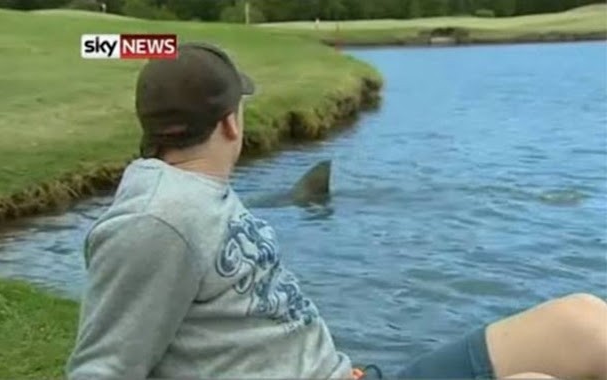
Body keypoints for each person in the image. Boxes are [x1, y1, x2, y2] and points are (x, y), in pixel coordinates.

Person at [65, 41, 607, 380]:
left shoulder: (197, 194)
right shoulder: (156, 221)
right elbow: (102, 368)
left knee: (582, 321)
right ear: (232, 123)